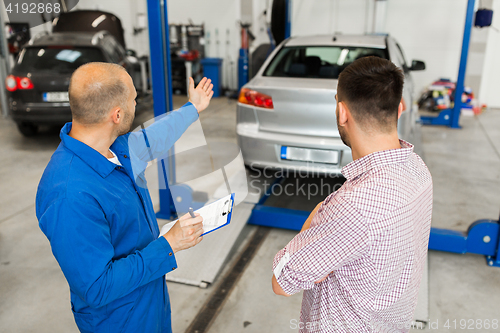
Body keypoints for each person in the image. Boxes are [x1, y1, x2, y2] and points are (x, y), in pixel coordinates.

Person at [36, 62, 214, 333]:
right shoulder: (69, 194)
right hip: (118, 321)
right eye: (133, 98)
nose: (136, 101)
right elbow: (96, 287)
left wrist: (192, 108)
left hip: (148, 299)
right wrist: (170, 244)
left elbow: (156, 136)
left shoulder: (116, 147)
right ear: (117, 114)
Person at [271, 57, 433, 333]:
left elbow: (283, 280)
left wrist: (322, 210)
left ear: (342, 112)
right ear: (400, 108)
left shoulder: (352, 206)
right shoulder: (418, 170)